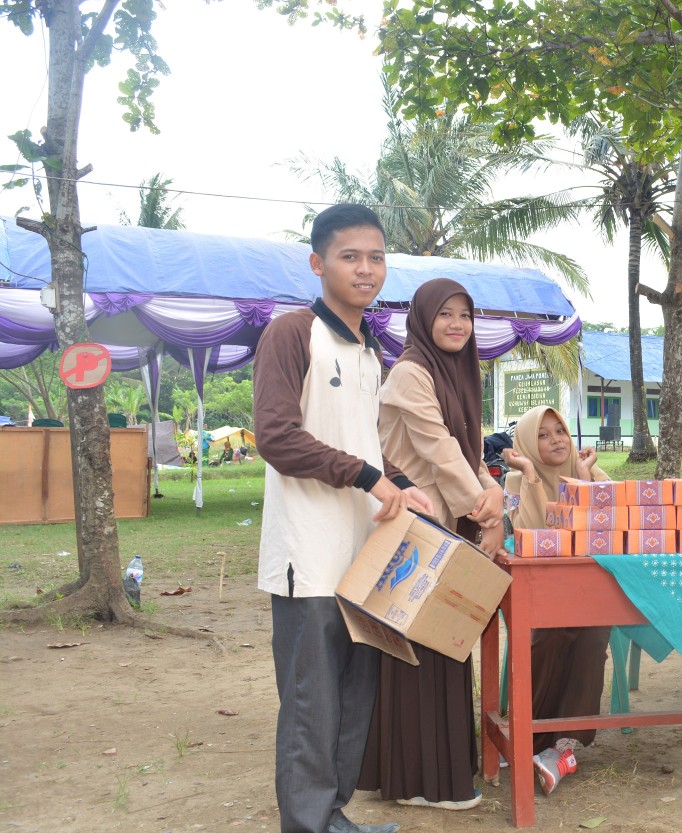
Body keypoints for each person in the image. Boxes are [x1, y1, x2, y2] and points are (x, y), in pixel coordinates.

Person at [253, 204, 434, 833]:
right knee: (312, 704)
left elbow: (364, 447)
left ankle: (332, 817)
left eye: (376, 256)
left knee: (352, 699)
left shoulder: (366, 350)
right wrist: (368, 477)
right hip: (308, 556)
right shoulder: (292, 333)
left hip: (363, 557)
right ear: (317, 263)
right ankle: (309, 825)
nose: (366, 268)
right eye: (349, 256)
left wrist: (404, 485)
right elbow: (276, 437)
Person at [356, 278, 505, 812]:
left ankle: (416, 774)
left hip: (445, 523)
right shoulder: (411, 373)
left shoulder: (461, 373)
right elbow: (438, 450)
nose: (457, 324)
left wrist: (493, 496)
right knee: (421, 651)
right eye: (445, 314)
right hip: (419, 525)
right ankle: (423, 781)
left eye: (465, 315)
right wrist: (484, 506)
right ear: (422, 319)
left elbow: (469, 449)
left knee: (444, 645)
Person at [500, 405, 612, 795]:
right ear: (528, 444)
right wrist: (531, 476)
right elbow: (528, 533)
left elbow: (607, 528)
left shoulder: (592, 474)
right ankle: (530, 737)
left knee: (593, 637)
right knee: (550, 637)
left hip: (591, 590)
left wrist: (582, 479)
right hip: (541, 593)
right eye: (542, 435)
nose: (556, 441)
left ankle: (564, 745)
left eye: (559, 430)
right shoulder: (515, 480)